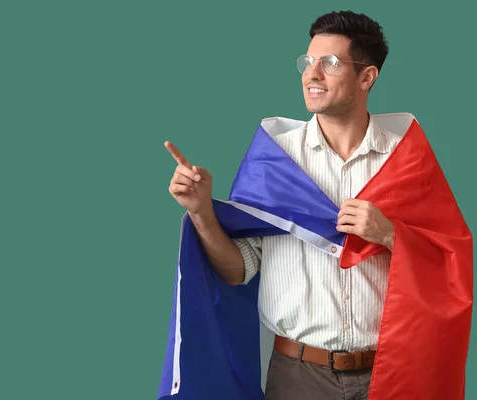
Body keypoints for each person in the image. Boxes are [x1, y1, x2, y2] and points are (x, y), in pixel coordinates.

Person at [165, 11, 403, 400]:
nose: (312, 74)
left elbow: (444, 263)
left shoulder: (404, 160)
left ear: (366, 77)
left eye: (330, 63)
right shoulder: (274, 159)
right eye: (308, 62)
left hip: (391, 372)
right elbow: (238, 270)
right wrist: (201, 212)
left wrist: (390, 235)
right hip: (298, 378)